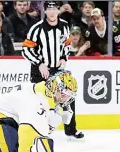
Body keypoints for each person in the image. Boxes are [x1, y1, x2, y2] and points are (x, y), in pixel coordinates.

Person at [22, 1, 84, 140]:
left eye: (54, 8)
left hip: (57, 70)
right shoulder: (36, 29)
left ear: (58, 10)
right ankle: (39, 131)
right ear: (44, 11)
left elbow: (66, 45)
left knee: (68, 95)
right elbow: (26, 49)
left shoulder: (64, 26)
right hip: (40, 70)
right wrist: (39, 63)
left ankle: (71, 130)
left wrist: (64, 58)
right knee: (40, 102)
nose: (51, 12)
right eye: (49, 9)